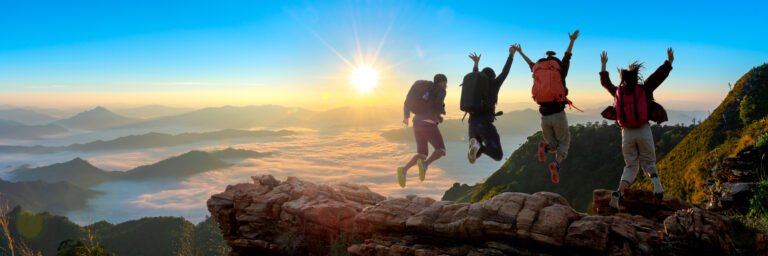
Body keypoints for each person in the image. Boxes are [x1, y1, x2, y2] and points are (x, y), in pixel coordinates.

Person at [599, 48, 674, 208]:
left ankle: (618, 192)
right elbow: (658, 77)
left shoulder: (618, 92)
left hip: (626, 133)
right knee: (648, 162)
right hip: (643, 129)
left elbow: (605, 83)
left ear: (623, 78)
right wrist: (669, 62)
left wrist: (604, 65)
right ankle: (656, 185)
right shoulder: (644, 89)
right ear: (636, 76)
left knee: (631, 166)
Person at [515, 29, 579, 184]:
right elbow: (567, 56)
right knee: (564, 142)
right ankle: (556, 163)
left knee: (553, 145)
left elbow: (529, 63)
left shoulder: (538, 67)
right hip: (558, 114)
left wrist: (520, 52)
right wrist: (572, 41)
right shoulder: (559, 69)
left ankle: (545, 147)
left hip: (543, 116)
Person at [466, 44, 516, 163]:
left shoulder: (476, 84)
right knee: (497, 155)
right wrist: (511, 55)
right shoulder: (494, 83)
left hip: (472, 122)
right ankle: (480, 148)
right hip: (485, 123)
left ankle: (477, 146)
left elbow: (474, 76)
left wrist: (476, 64)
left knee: (474, 156)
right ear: (493, 76)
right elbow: (505, 71)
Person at [397, 74, 448, 188]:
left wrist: (406, 117)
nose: (446, 86)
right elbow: (438, 106)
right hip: (428, 124)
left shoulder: (422, 88)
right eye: (445, 83)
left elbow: (407, 102)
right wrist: (440, 115)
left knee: (422, 154)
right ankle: (425, 165)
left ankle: (404, 170)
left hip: (416, 123)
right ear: (441, 82)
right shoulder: (440, 91)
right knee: (441, 150)